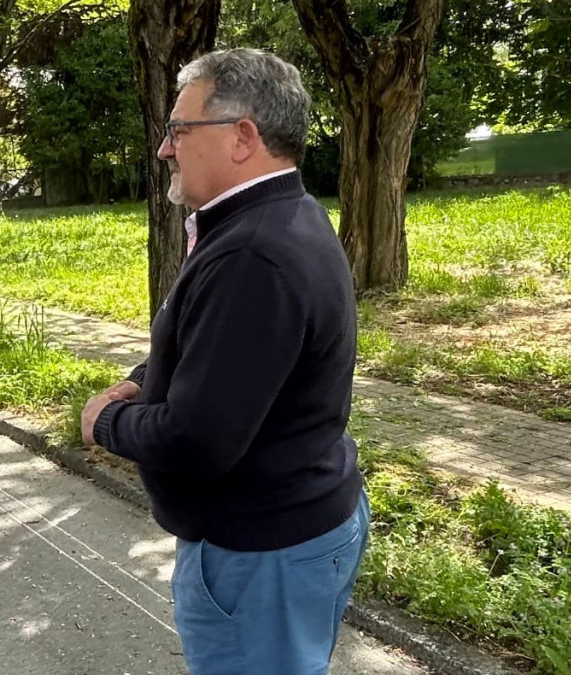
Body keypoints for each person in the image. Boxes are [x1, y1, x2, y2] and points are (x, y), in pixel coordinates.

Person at [80, 48, 369, 675]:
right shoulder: (281, 215)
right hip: (295, 526)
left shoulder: (251, 254)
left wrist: (103, 422)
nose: (165, 149)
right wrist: (143, 381)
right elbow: (227, 354)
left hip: (261, 552)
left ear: (242, 136)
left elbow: (198, 440)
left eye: (179, 130)